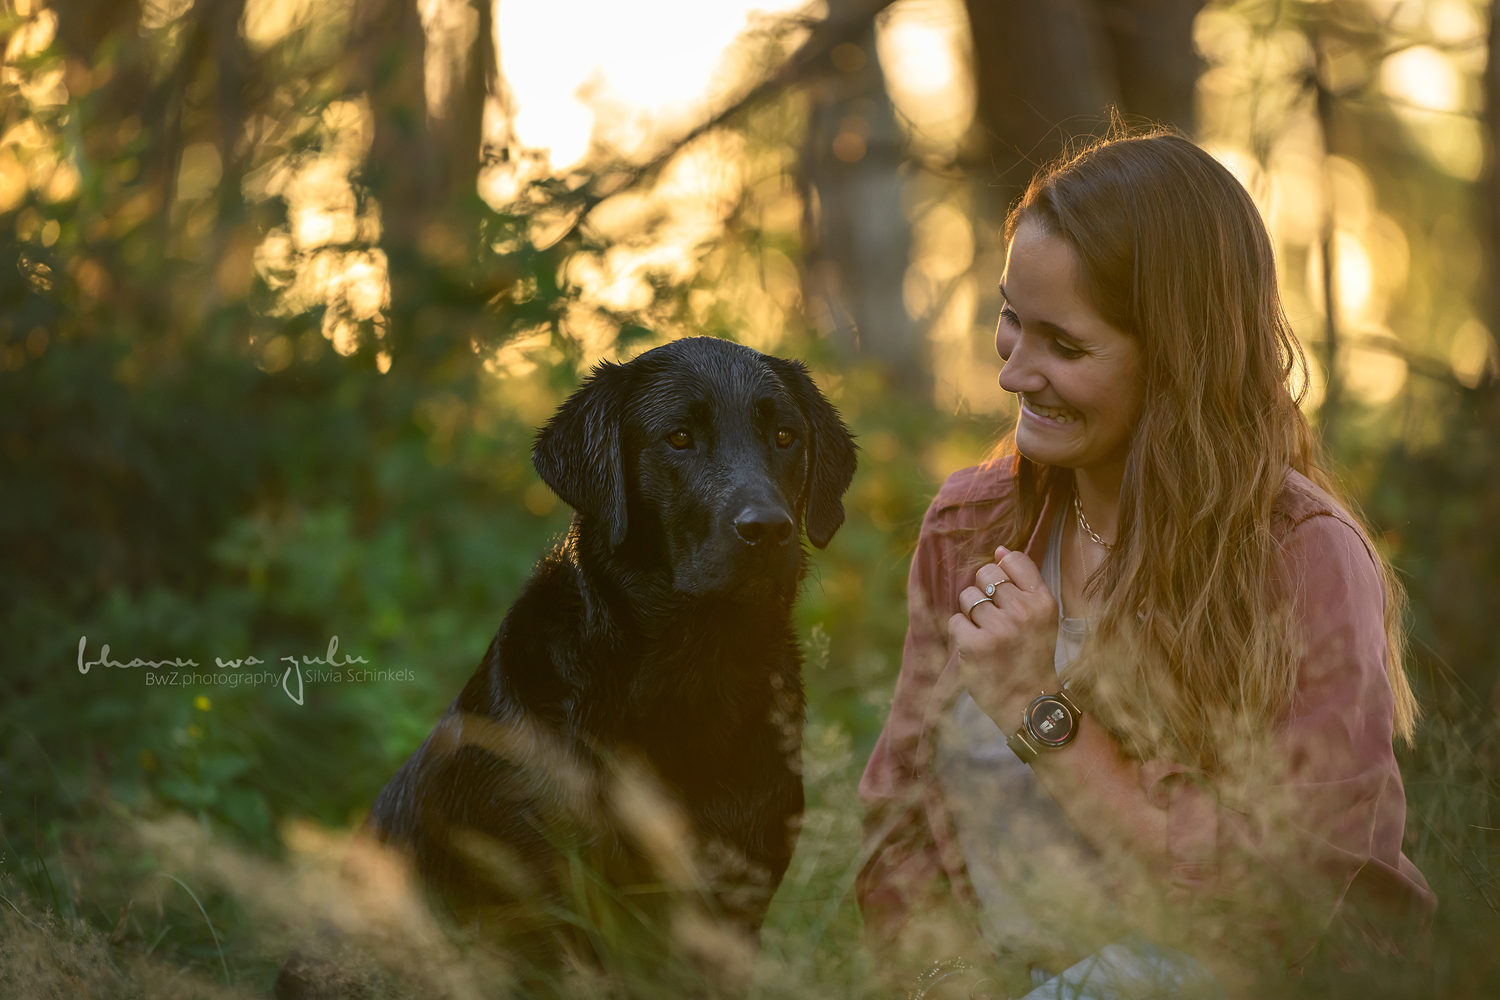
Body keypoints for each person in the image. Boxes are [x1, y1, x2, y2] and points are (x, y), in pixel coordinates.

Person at [856, 130, 1435, 998]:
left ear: (1178, 357)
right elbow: (896, 822)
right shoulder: (969, 527)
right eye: (1011, 318)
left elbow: (1274, 906)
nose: (1015, 372)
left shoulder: (1300, 557)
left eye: (1065, 345)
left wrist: (1031, 702)